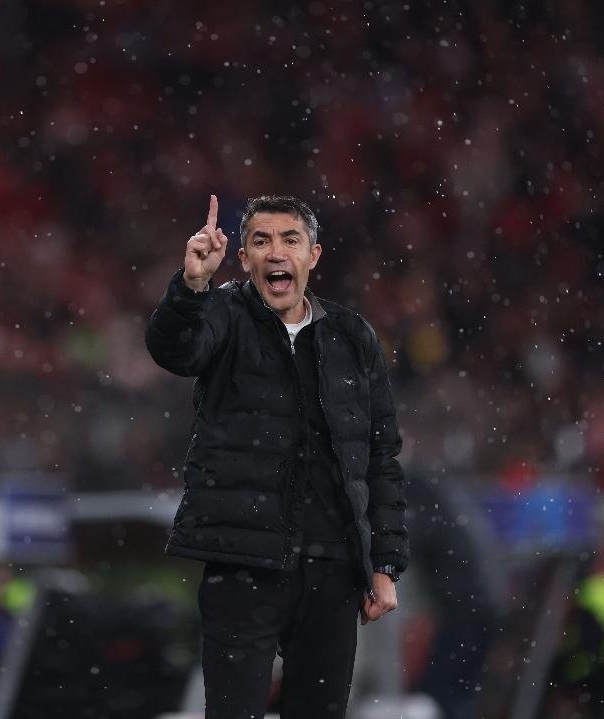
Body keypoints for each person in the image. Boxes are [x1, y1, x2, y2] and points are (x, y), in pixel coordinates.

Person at [145, 194, 409, 718]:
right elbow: (174, 351)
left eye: (291, 240)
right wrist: (192, 285)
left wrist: (385, 564)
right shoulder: (221, 312)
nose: (275, 253)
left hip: (333, 568)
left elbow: (380, 455)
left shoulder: (352, 336)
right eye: (261, 241)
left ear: (313, 256)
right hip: (243, 564)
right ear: (243, 259)